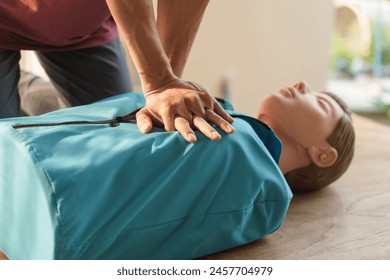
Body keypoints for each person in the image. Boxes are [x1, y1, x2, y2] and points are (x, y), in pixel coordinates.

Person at [0, 80, 355, 260]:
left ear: (323, 154)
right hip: (27, 159)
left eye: (320, 102)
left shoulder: (258, 185)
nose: (302, 86)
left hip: (48, 196)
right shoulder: (223, 115)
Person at [0, 0, 233, 142]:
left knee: (123, 132)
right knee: (5, 150)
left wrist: (166, 86)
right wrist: (159, 81)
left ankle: (22, 87)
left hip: (81, 25)